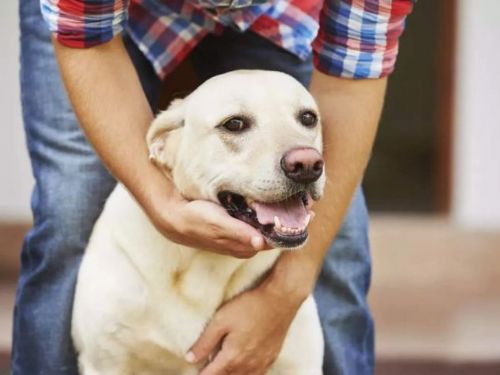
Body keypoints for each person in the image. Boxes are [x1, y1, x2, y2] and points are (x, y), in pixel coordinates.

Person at [12, 0, 413, 374]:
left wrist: (287, 289)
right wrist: (161, 203)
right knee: (71, 210)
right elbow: (88, 44)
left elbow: (349, 83)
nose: (301, 156)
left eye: (307, 120)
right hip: (102, 21)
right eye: (234, 126)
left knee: (339, 241)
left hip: (285, 10)